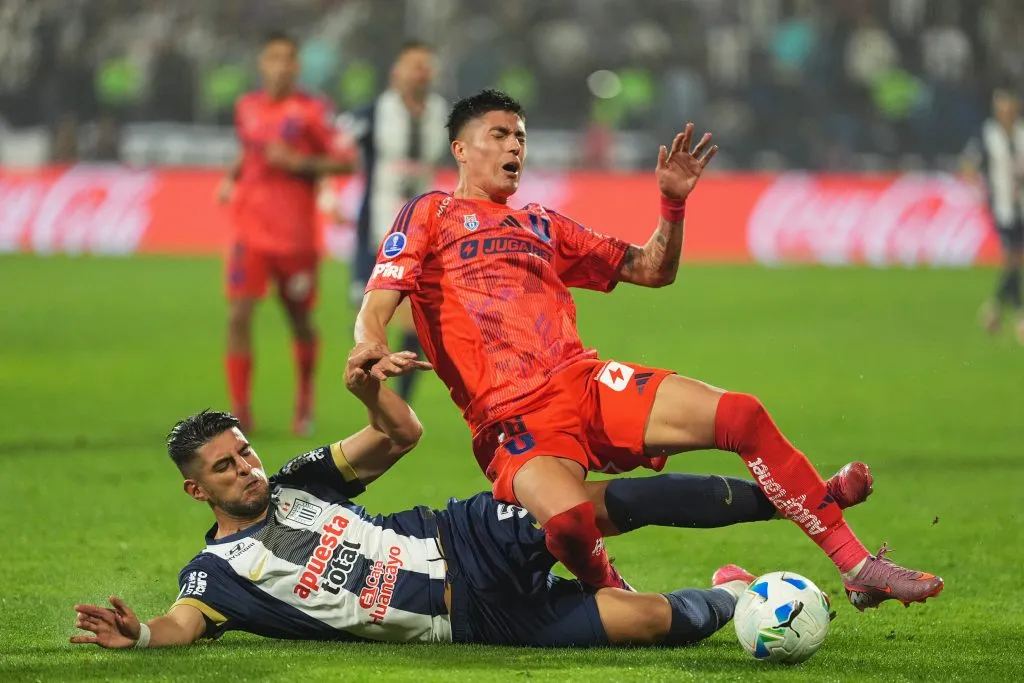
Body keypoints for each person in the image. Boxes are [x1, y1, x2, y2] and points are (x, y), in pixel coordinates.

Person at [350, 89, 943, 611]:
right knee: (571, 522)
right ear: (460, 148)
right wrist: (371, 345)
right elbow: (381, 297)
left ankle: (858, 569)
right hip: (513, 420)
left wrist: (673, 205)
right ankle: (621, 596)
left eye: (521, 137)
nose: (515, 148)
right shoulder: (432, 212)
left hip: (583, 381)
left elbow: (652, 268)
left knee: (742, 414)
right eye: (499, 135)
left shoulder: (540, 223)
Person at [66, 351, 871, 650]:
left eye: (243, 450)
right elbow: (177, 624)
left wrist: (377, 397)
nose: (245, 467)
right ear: (194, 486)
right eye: (224, 465)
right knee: (651, 622)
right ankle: (734, 591)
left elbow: (402, 435)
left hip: (465, 537)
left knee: (599, 506)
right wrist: (137, 635)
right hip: (472, 620)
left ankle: (793, 499)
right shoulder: (215, 573)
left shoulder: (298, 480)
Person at [217, 31, 356, 435]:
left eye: (288, 59)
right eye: (273, 58)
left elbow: (345, 162)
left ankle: (304, 406)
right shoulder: (247, 107)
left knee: (298, 319)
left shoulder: (313, 110)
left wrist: (298, 162)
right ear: (262, 63)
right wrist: (231, 178)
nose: (280, 66)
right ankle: (240, 411)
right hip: (250, 234)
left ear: (297, 66)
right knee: (238, 315)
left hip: (295, 237)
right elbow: (248, 150)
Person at [342, 41, 449, 402]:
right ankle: (383, 395)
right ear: (396, 72)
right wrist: (327, 192)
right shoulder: (374, 112)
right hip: (378, 224)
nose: (421, 72)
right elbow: (337, 148)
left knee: (409, 313)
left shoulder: (442, 113)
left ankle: (398, 401)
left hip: (421, 226)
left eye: (426, 66)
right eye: (413, 65)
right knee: (371, 314)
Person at [962, 88, 1024, 343]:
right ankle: (1019, 315)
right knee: (1013, 255)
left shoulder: (1022, 133)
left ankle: (994, 309)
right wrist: (979, 192)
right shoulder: (986, 134)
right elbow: (968, 164)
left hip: (1022, 204)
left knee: (1016, 257)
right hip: (1001, 206)